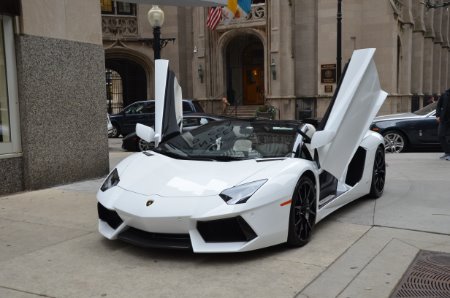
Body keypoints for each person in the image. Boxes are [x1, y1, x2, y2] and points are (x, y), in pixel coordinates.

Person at [436, 89, 450, 160]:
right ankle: (447, 152)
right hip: (444, 119)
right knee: (440, 135)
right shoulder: (445, 94)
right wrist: (438, 115)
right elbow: (438, 105)